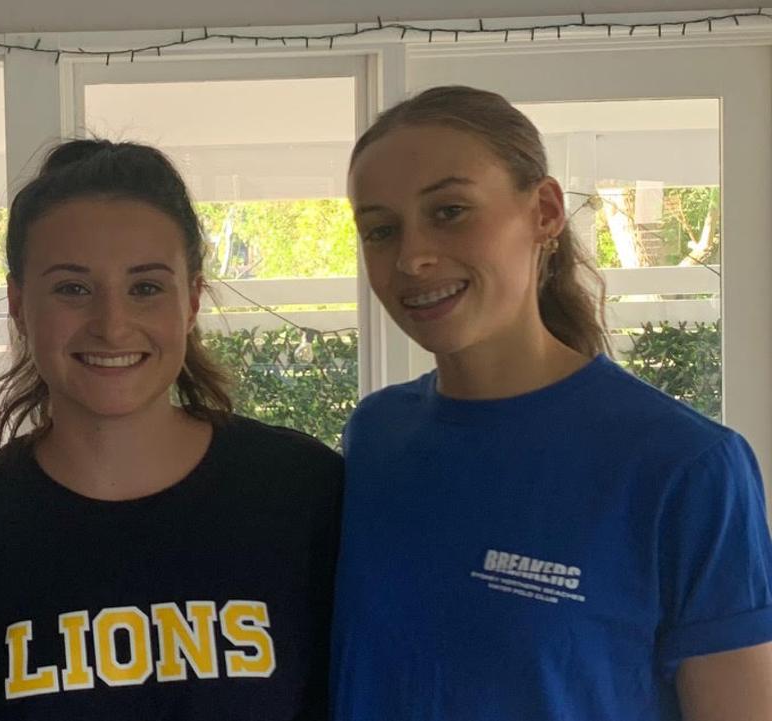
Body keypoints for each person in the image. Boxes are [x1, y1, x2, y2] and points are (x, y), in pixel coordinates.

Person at [330, 85, 772, 720]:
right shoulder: (377, 435)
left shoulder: (685, 466)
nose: (413, 257)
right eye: (380, 229)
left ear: (544, 211)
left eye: (450, 211)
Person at [0, 140, 343, 720]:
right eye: (73, 288)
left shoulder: (305, 497)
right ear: (19, 304)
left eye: (146, 287)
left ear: (192, 300)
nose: (112, 324)